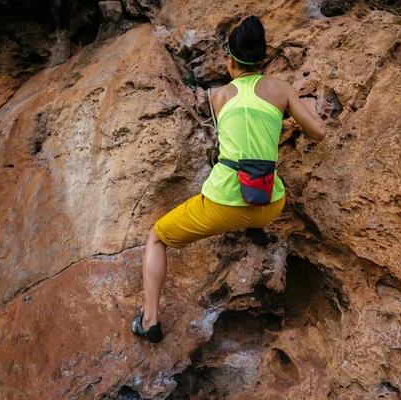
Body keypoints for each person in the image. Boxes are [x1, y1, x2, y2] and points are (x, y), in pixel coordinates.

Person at [131, 16, 326, 343]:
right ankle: (255, 228)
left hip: (224, 206)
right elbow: (319, 133)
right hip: (271, 203)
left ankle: (149, 321)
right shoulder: (282, 89)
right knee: (258, 176)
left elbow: (235, 130)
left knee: (157, 237)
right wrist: (303, 104)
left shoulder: (219, 97)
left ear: (231, 60)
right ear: (263, 59)